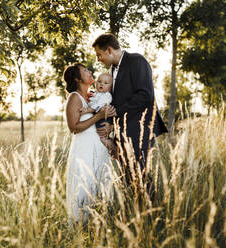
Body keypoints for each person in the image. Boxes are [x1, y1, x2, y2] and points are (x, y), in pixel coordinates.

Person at [92, 33, 168, 199]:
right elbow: (115, 100)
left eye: (99, 54)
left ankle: (152, 212)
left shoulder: (137, 61)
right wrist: (111, 123)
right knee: (128, 175)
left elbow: (144, 95)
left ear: (110, 50)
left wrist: (116, 114)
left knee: (139, 173)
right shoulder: (112, 70)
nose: (98, 59)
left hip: (141, 128)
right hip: (124, 130)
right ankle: (136, 214)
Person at [63, 62, 116, 223]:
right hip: (84, 151)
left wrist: (110, 123)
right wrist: (98, 116)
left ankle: (99, 224)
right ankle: (81, 227)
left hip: (99, 149)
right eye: (85, 71)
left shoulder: (95, 96)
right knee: (83, 186)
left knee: (101, 187)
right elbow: (74, 127)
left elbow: (106, 114)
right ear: (78, 79)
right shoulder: (74, 97)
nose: (90, 72)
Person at [79, 73, 117, 156]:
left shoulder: (107, 96)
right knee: (104, 137)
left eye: (105, 83)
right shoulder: (98, 93)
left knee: (103, 138)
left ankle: (115, 150)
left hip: (104, 119)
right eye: (99, 81)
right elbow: (93, 99)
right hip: (100, 117)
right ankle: (112, 145)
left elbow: (98, 106)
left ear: (110, 88)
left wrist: (87, 110)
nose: (101, 84)